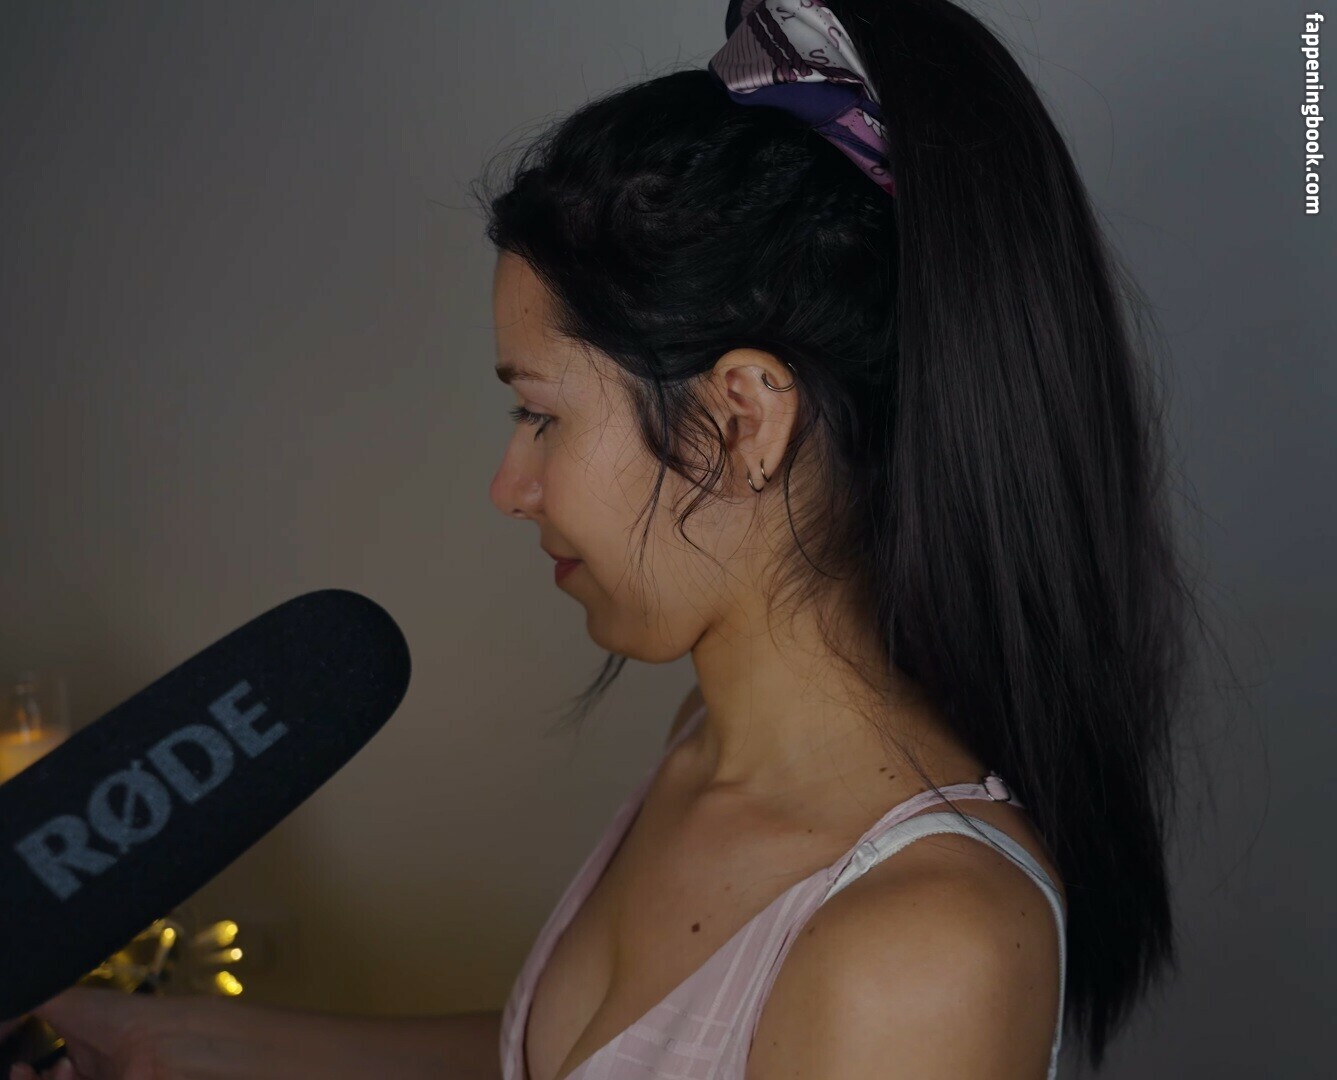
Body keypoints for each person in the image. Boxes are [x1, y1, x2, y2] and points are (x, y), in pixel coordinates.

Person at [6, 0, 1219, 1076]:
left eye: (539, 415)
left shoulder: (922, 946)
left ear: (740, 419)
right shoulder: (709, 742)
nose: (509, 487)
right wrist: (188, 1047)